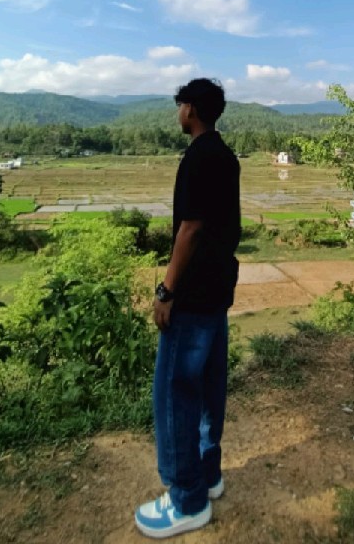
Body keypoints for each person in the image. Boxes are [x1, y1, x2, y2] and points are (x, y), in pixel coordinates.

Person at [134, 78, 241, 539]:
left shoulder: (197, 157)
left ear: (191, 109)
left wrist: (166, 291)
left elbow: (190, 229)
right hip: (218, 291)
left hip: (193, 295)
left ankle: (187, 499)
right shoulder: (226, 155)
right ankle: (208, 476)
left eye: (179, 106)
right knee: (209, 388)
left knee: (175, 392)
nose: (177, 113)